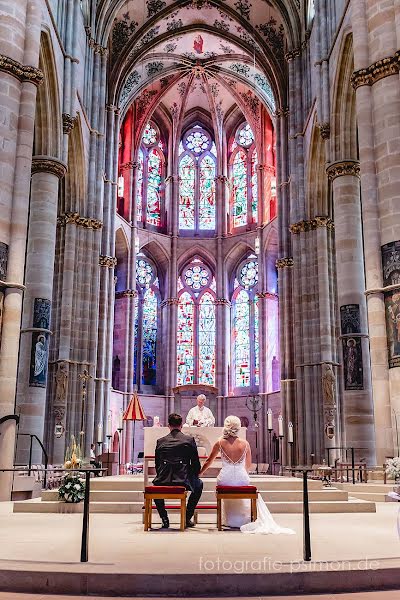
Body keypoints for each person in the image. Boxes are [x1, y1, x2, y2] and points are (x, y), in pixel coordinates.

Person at [199, 415, 295, 534]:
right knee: (242, 485)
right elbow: (248, 465)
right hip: (242, 478)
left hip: (225, 479)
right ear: (238, 427)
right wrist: (239, 473)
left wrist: (199, 473)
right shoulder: (245, 443)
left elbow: (209, 461)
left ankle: (229, 519)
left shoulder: (220, 442)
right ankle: (243, 519)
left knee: (222, 483)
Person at [153, 413, 203, 529]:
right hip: (183, 480)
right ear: (181, 425)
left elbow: (157, 464)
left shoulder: (161, 441)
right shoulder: (189, 440)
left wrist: (162, 475)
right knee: (199, 484)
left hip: (163, 479)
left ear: (168, 426)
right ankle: (186, 517)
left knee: (155, 485)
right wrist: (194, 475)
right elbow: (195, 463)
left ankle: (164, 519)